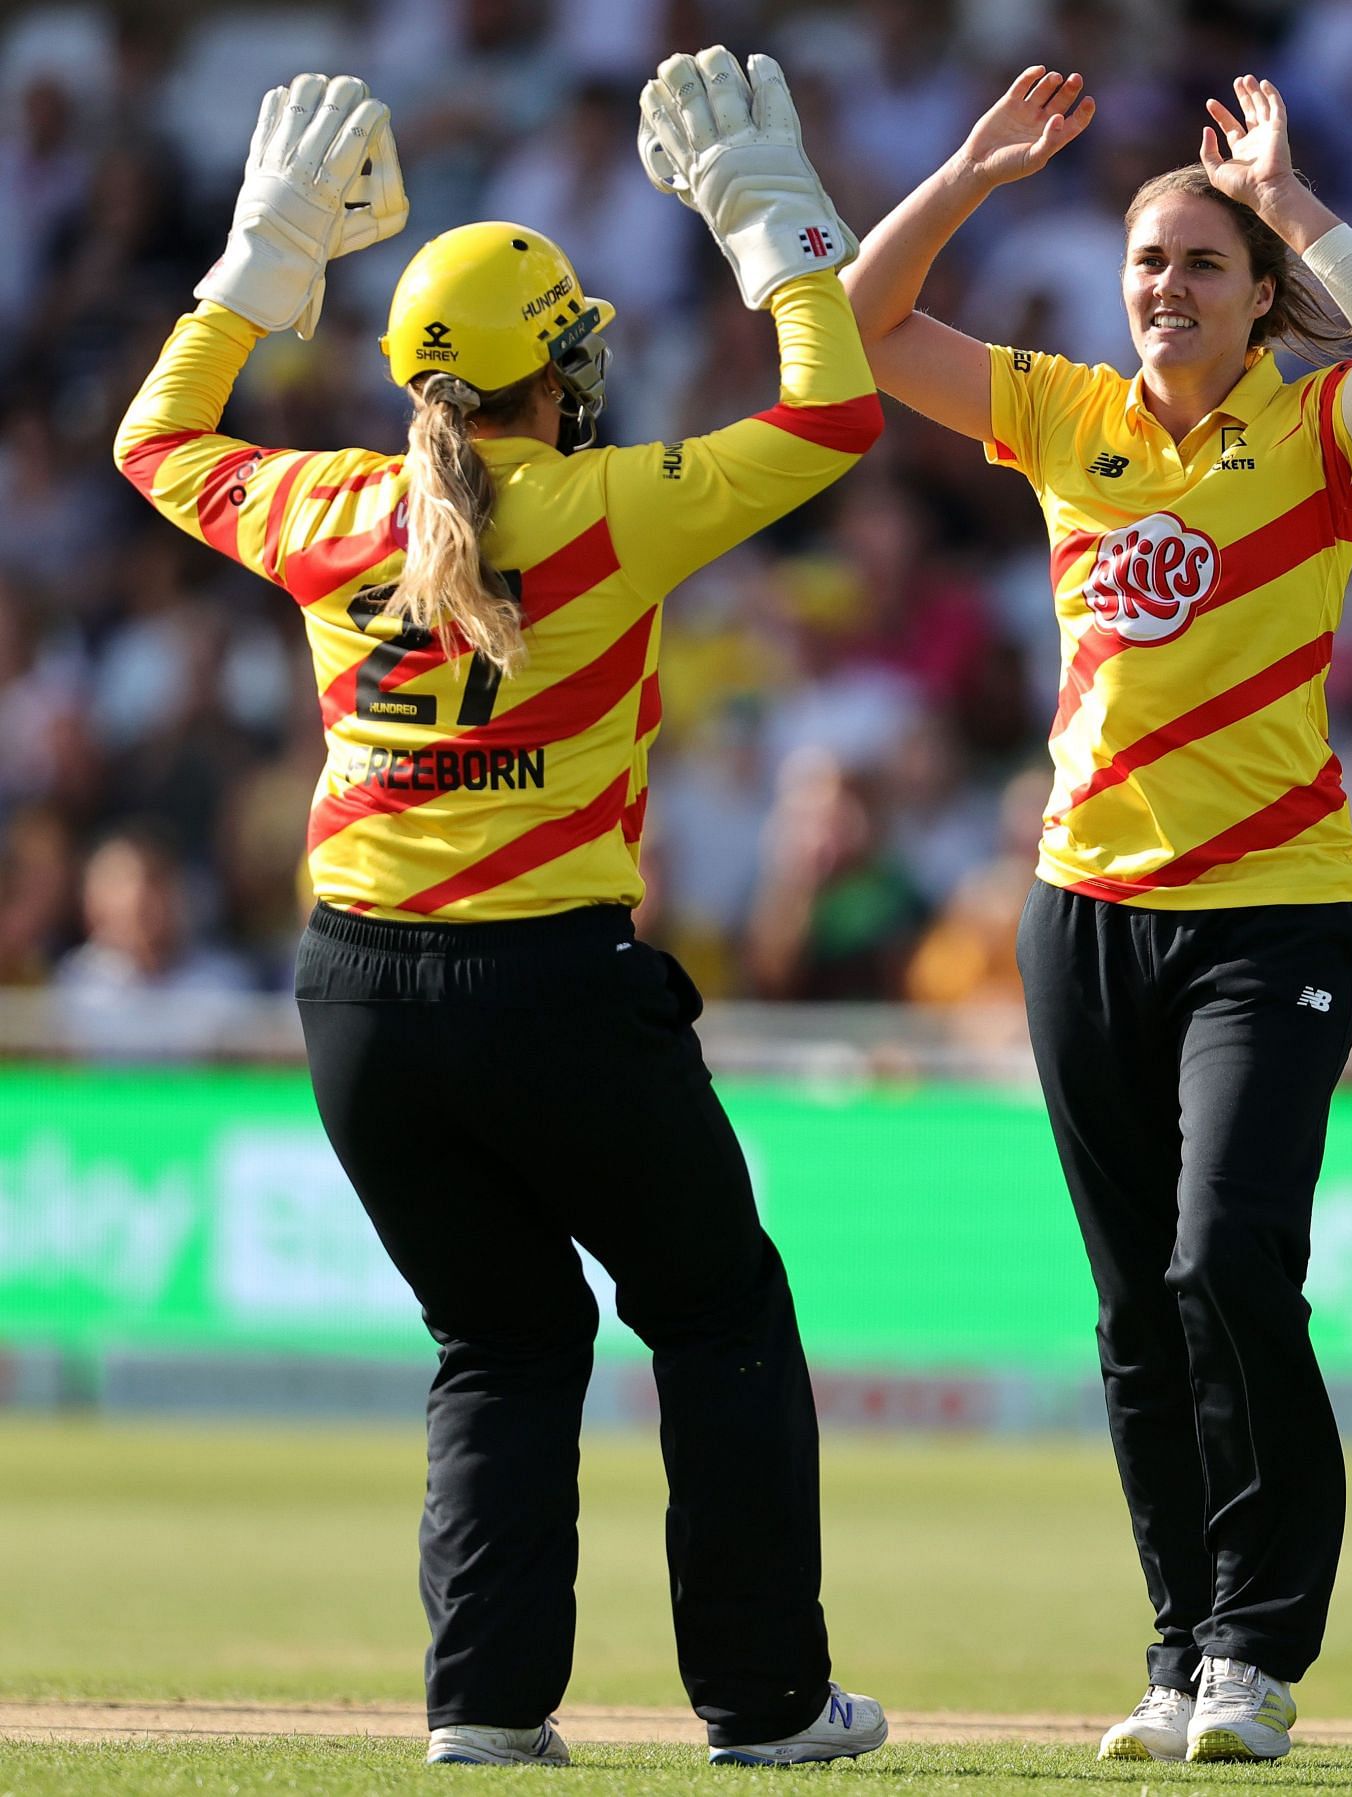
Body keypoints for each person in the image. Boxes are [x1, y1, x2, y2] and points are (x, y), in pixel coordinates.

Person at [114, 57, 889, 1769]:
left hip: (358, 1005)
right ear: (568, 370)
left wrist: (261, 263)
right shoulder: (614, 506)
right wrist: (777, 232)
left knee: (502, 1339)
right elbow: (836, 417)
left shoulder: (335, 507)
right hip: (551, 987)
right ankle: (763, 1704)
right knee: (716, 1309)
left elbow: (153, 438)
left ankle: (486, 1708)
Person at [843, 68, 1352, 1763]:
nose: (1164, 287)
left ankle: (1259, 1643)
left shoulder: (1320, 425)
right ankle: (1179, 1647)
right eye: (1144, 262)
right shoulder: (1063, 411)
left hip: (1272, 914)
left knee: (1222, 1262)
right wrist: (967, 168)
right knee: (1130, 1307)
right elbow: (863, 326)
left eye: (1201, 260)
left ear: (1262, 291)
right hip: (1082, 910)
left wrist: (1292, 198)